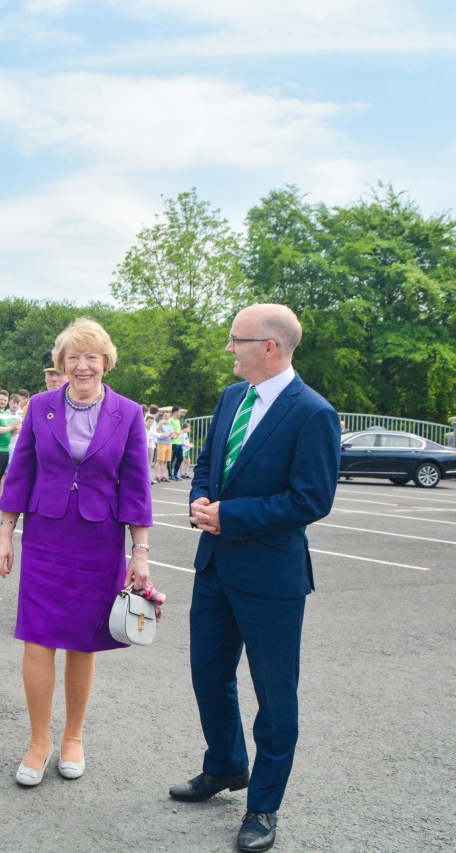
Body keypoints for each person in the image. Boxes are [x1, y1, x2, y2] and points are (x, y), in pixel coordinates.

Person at [174, 304, 340, 853]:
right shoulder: (230, 399)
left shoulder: (313, 412)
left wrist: (232, 516)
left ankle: (264, 805)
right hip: (215, 566)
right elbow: (208, 465)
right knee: (207, 674)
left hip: (271, 576)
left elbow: (311, 499)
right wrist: (200, 497)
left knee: (274, 695)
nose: (229, 349)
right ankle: (224, 767)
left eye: (235, 340)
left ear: (269, 346)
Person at [0, 317, 153, 786]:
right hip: (46, 536)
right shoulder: (41, 406)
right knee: (38, 638)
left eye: (91, 357)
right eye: (72, 358)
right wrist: (5, 533)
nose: (82, 366)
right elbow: (19, 474)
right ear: (61, 364)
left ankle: (73, 738)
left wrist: (139, 553)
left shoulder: (129, 412)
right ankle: (39, 741)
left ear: (105, 362)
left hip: (99, 541)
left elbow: (137, 487)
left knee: (84, 642)